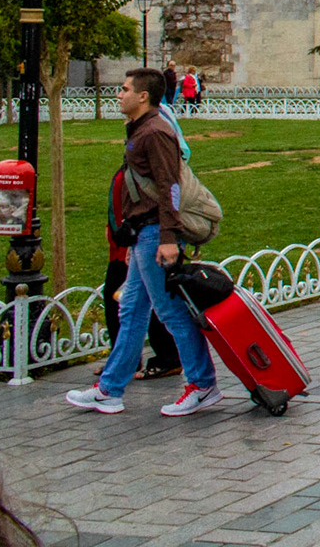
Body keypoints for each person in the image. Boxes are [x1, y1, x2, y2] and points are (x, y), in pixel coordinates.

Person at [66, 68, 221, 416]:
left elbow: (170, 188)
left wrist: (168, 238)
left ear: (143, 96)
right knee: (132, 309)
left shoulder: (155, 133)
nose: (118, 95)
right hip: (142, 233)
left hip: (156, 234)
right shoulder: (139, 129)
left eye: (123, 90)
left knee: (169, 311)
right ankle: (110, 389)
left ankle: (203, 384)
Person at [100, 163, 181, 384]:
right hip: (124, 243)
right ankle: (123, 363)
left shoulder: (143, 164)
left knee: (141, 302)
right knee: (127, 302)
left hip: (132, 244)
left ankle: (168, 358)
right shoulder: (130, 168)